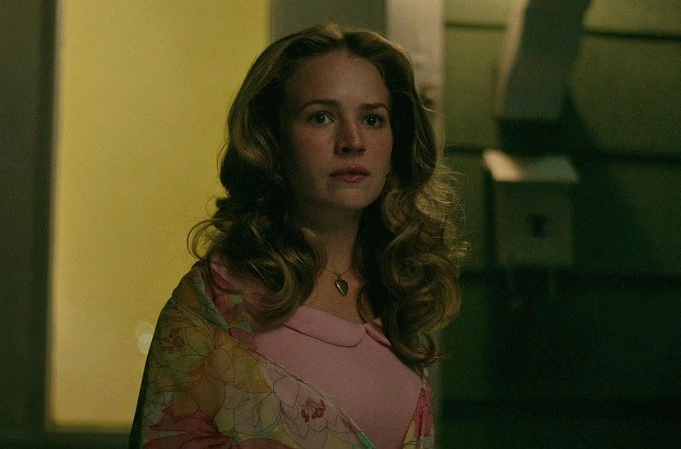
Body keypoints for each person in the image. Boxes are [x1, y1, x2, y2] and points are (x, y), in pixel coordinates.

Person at [130, 23, 467, 449]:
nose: (352, 141)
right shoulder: (217, 301)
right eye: (321, 117)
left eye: (372, 119)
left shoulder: (398, 285)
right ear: (273, 139)